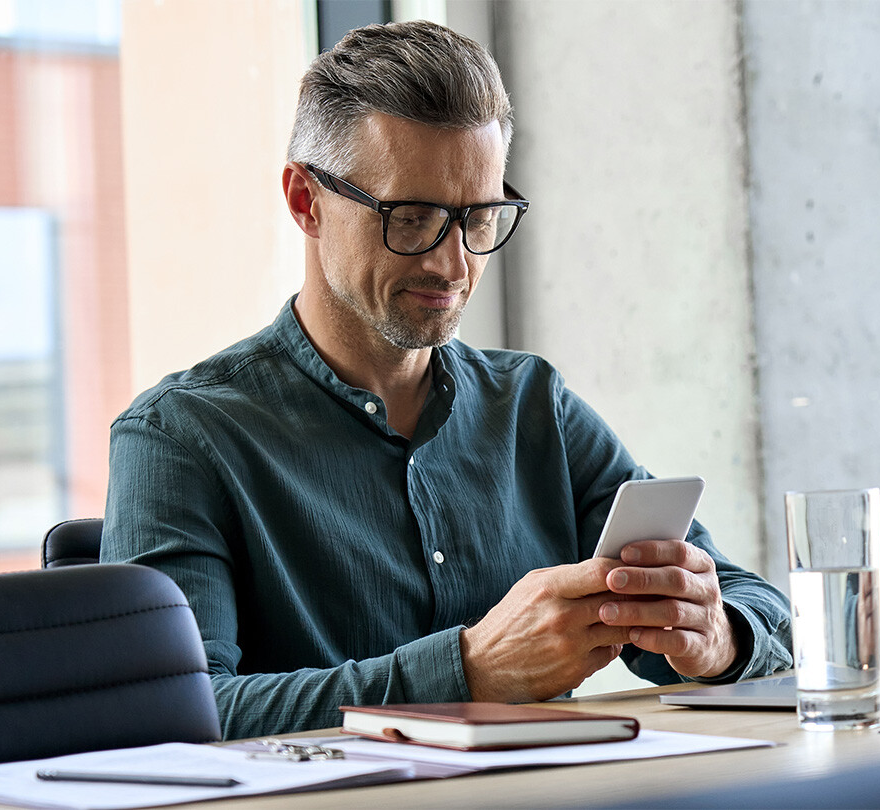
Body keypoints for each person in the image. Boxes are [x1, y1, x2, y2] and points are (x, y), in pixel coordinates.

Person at [102, 20, 792, 740]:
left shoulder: (533, 408)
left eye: (479, 218)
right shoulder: (181, 437)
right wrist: (466, 672)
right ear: (307, 201)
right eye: (413, 218)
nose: (453, 263)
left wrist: (713, 638)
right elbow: (173, 713)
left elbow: (749, 600)